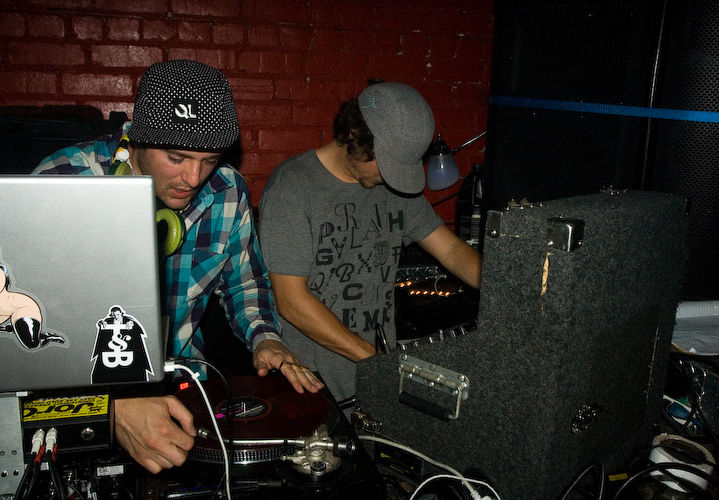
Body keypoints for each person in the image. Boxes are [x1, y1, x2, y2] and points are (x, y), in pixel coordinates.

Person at [33, 59, 323, 473]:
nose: (193, 177)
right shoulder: (59, 184)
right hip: (83, 409)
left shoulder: (226, 191)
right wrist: (111, 408)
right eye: (176, 157)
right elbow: (25, 341)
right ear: (137, 137)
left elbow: (244, 283)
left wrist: (265, 338)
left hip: (186, 395)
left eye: (209, 159)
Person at [258, 82, 481, 408]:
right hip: (312, 385)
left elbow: (450, 250)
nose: (392, 177)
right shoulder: (293, 187)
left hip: (374, 373)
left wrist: (505, 290)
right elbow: (291, 301)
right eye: (385, 163)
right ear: (353, 134)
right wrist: (380, 363)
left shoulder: (395, 191)